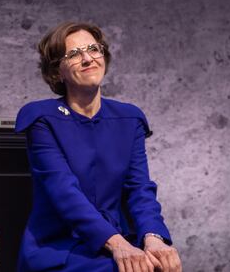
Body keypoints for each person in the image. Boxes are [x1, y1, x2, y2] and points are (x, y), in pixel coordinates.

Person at [15, 22, 182, 272]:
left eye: (93, 49)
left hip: (116, 240)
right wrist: (118, 246)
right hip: (59, 246)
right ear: (57, 72)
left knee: (161, 264)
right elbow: (64, 193)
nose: (87, 59)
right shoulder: (42, 118)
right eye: (73, 54)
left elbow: (139, 189)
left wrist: (153, 238)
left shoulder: (129, 118)